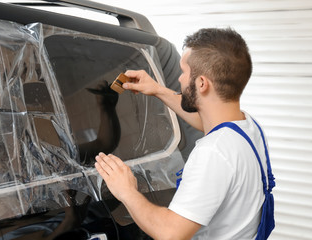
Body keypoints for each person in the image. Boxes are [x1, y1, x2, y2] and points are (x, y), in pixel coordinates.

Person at [95, 28, 275, 239]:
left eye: (183, 72)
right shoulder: (247, 126)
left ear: (201, 83)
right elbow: (204, 121)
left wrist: (126, 190)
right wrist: (158, 90)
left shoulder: (213, 152)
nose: (179, 79)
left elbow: (170, 233)